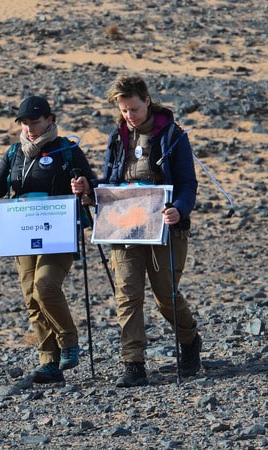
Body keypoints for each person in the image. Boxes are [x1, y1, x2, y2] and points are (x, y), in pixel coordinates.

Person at [71, 74, 202, 387]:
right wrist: (90, 190)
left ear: (147, 101)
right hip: (124, 225)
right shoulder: (117, 137)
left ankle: (189, 340)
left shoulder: (173, 136)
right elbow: (111, 181)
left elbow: (188, 184)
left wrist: (178, 209)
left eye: (134, 109)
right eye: (124, 110)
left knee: (165, 295)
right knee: (127, 294)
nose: (129, 115)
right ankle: (134, 365)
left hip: (165, 228)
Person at [0, 96, 96, 384]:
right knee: (31, 297)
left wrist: (82, 186)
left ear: (49, 119)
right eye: (24, 124)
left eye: (34, 122)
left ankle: (69, 341)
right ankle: (48, 361)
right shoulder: (15, 152)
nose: (29, 129)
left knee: (45, 286)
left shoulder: (67, 150)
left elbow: (90, 184)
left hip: (59, 232)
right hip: (22, 233)